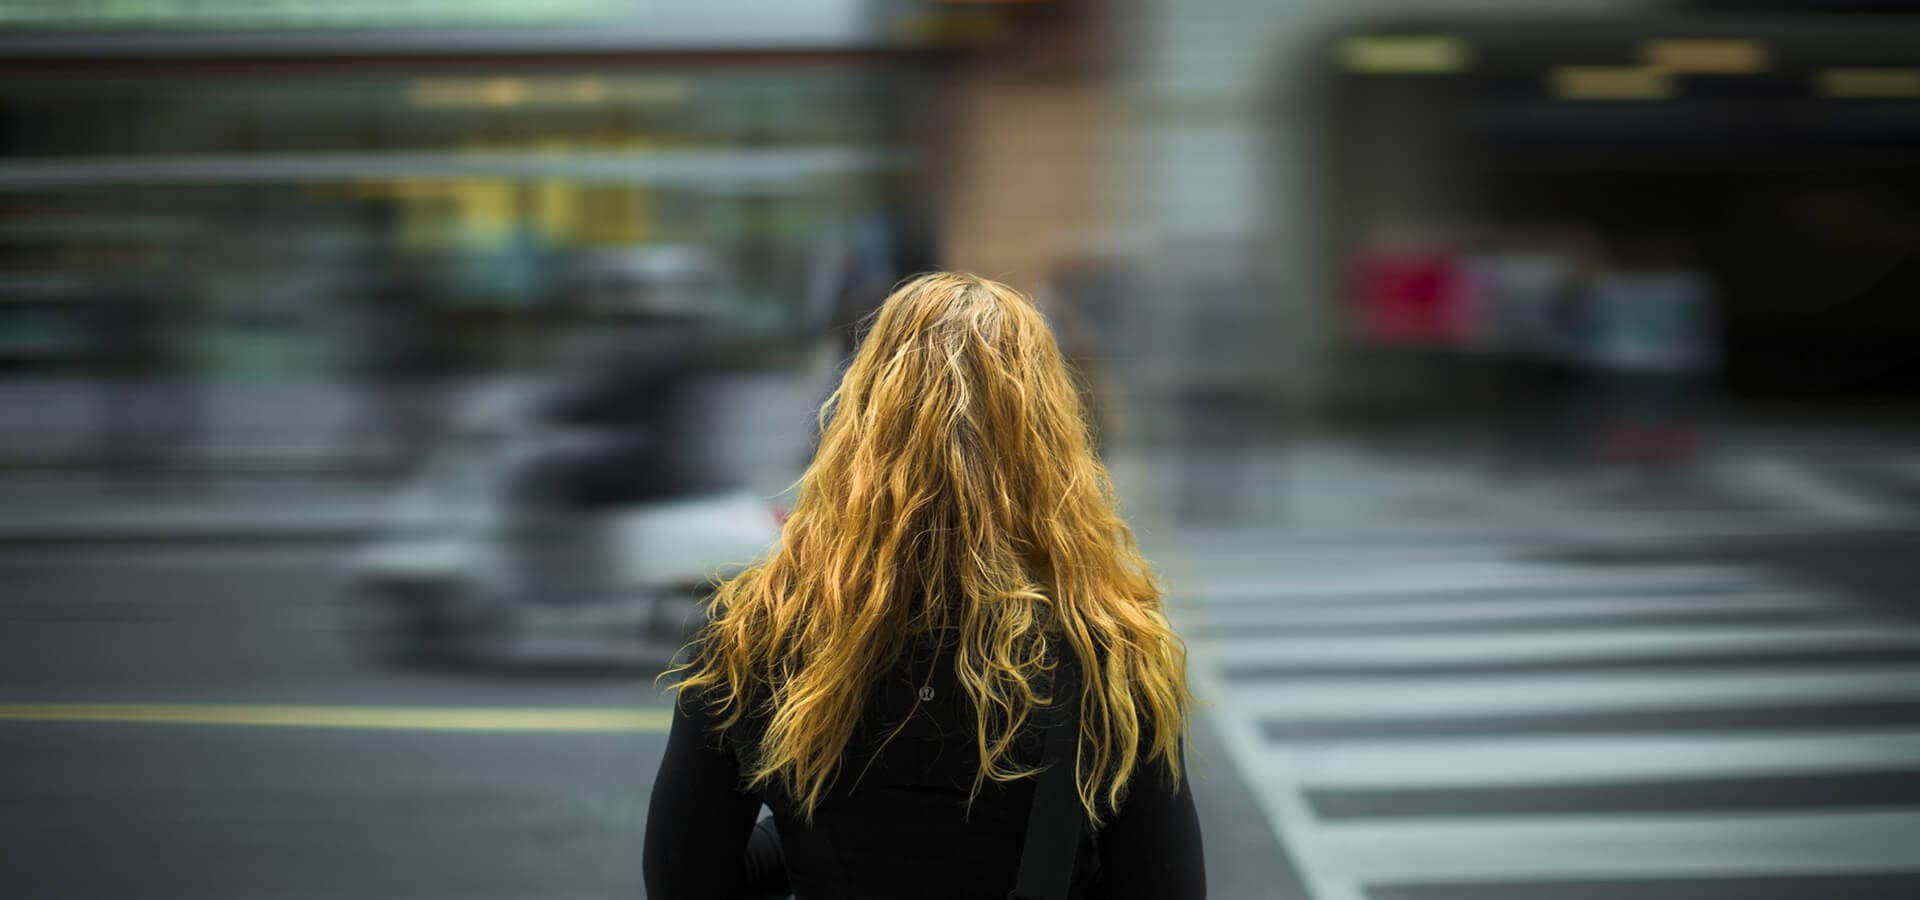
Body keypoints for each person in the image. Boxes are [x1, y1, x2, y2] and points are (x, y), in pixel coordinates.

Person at [644, 273, 1205, 900]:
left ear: (859, 422)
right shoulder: (1105, 652)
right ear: (1049, 439)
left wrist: (806, 835)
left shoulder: (756, 631)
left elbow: (683, 878)